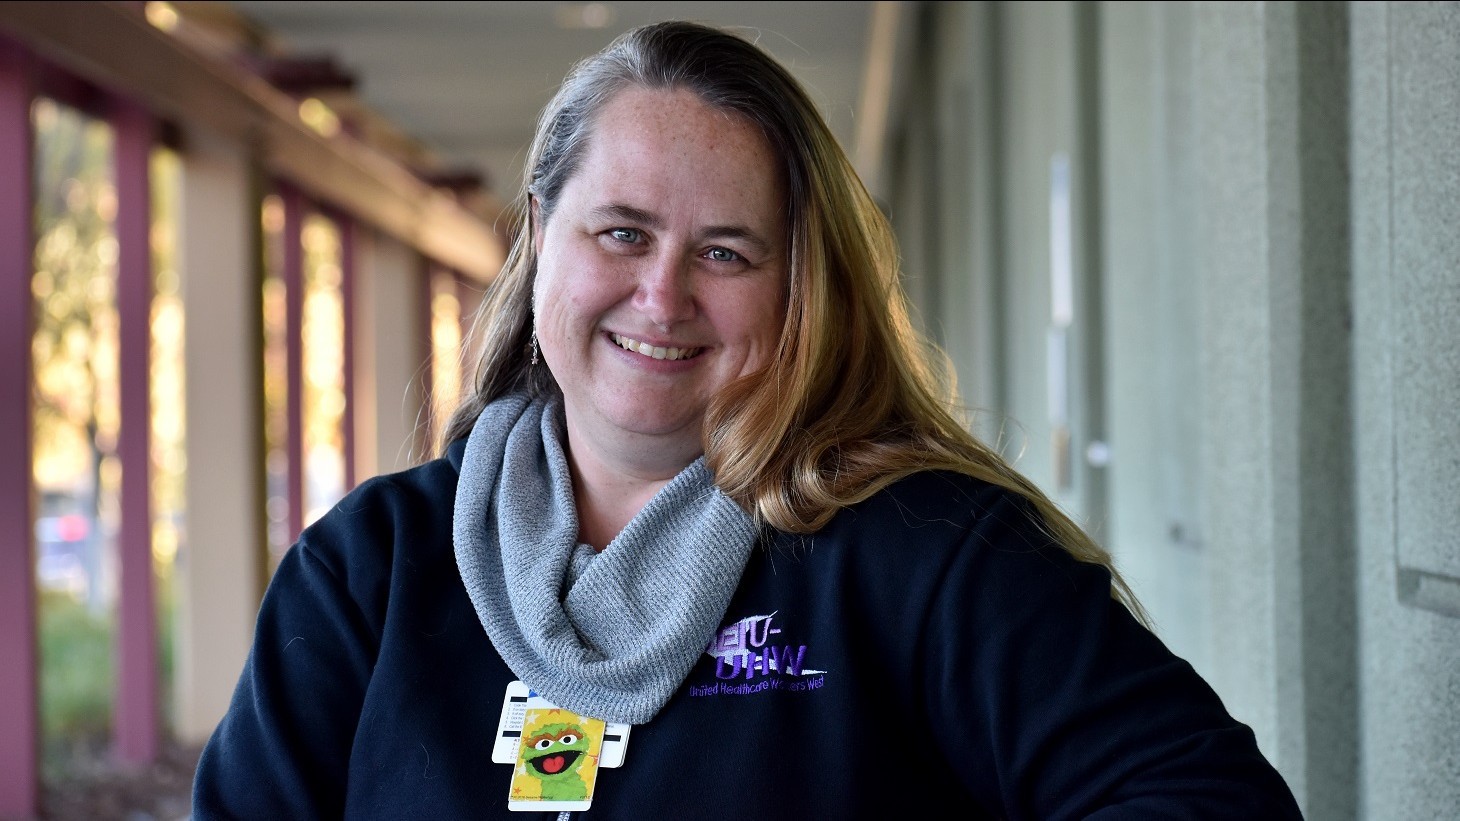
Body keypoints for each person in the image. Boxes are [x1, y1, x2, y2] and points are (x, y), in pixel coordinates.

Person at [193, 20, 1303, 819]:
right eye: (619, 233)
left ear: (796, 286)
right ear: (539, 237)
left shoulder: (926, 555)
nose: (661, 295)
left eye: (724, 252)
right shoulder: (368, 573)